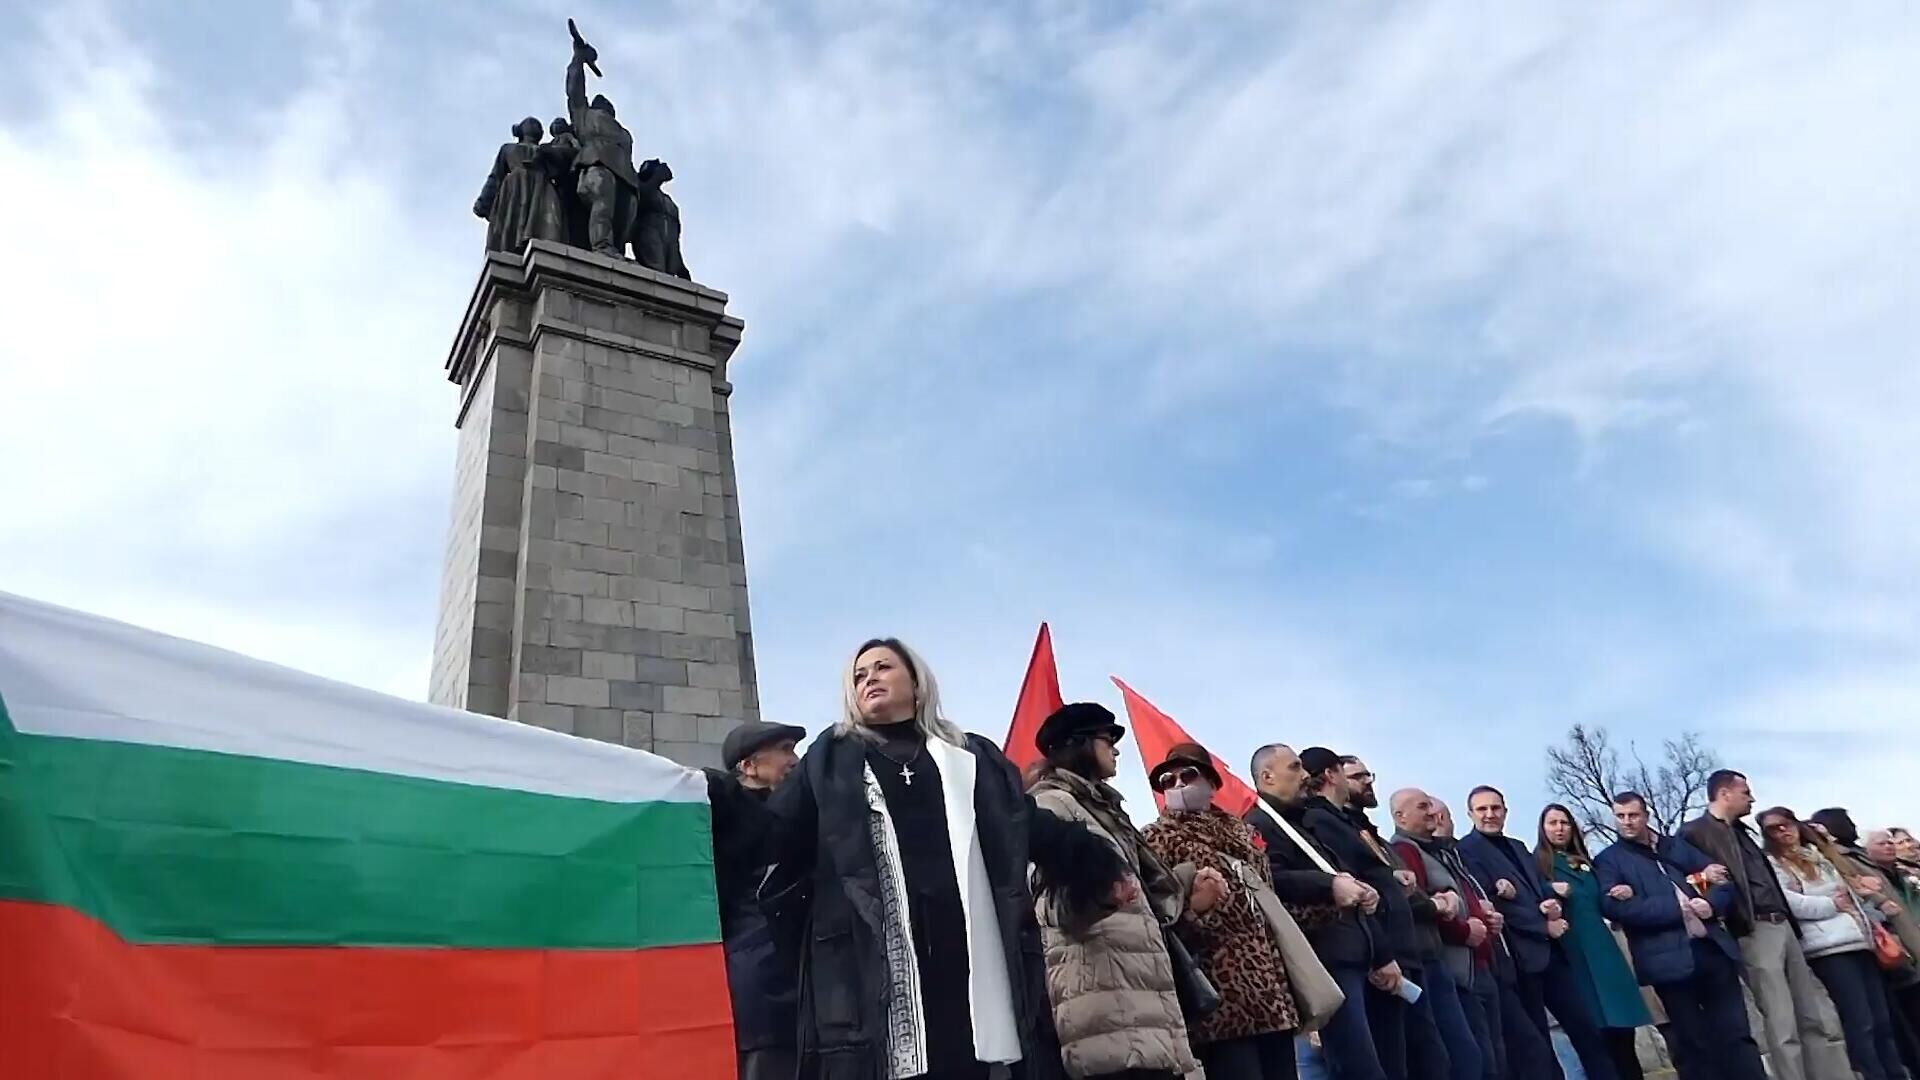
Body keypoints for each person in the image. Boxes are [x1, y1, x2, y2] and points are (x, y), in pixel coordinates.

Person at [707, 637, 1130, 1080]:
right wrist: (713, 798)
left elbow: (1026, 825)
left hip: (965, 964)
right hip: (871, 974)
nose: (869, 678)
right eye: (858, 675)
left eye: (882, 668)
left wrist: (1097, 865)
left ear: (915, 681)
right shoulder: (829, 761)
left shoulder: (971, 756)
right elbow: (774, 833)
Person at [1027, 703, 1200, 1080]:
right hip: (1105, 1012)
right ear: (1080, 744)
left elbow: (1141, 897)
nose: (1116, 749)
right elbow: (1050, 909)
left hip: (1140, 1005)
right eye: (1108, 739)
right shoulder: (1052, 804)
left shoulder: (1103, 809)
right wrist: (1104, 893)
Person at [1143, 741, 1301, 1080]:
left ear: (1212, 783)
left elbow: (1272, 904)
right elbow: (1155, 917)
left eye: (1188, 775)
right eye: (1168, 780)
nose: (1178, 784)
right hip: (1217, 1003)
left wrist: (1335, 904)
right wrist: (1195, 909)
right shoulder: (1155, 838)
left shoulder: (1247, 835)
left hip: (1271, 997)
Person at [1680, 771, 1850, 1080]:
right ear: (1724, 794)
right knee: (1781, 1019)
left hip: (1783, 924)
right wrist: (1706, 882)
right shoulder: (1695, 833)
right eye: (1745, 792)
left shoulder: (1743, 833)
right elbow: (1687, 879)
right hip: (1751, 929)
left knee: (1811, 1014)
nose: (1752, 798)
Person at [1245, 743, 1392, 1080]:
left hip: (1356, 954)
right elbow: (1270, 879)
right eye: (1294, 767)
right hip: (1326, 961)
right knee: (1358, 1067)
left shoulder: (1303, 822)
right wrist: (1329, 886)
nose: (1305, 775)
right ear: (1267, 777)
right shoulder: (1259, 825)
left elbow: (1338, 872)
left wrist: (1358, 890)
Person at [1594, 791, 1765, 1080]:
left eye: (1633, 815)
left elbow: (1722, 880)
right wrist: (1678, 906)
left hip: (1712, 950)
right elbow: (1615, 907)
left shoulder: (1676, 847)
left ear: (1645, 816)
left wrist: (1710, 904)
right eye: (1620, 816)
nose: (1627, 822)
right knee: (1693, 1043)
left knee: (1736, 1035)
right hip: (1666, 962)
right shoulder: (1610, 860)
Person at [1299, 750, 1448, 1080]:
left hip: (1398, 954)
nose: (1367, 782)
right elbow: (1352, 886)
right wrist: (1381, 954)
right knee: (1401, 1061)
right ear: (1332, 774)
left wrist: (1392, 878)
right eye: (1357, 775)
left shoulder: (1351, 823)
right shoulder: (1320, 821)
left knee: (1424, 1057)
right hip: (1378, 958)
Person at [1457, 785, 1619, 1080]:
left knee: (1586, 1029)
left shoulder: (1518, 847)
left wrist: (1550, 901)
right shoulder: (1467, 850)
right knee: (1539, 1044)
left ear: (1505, 811)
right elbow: (1489, 901)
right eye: (1482, 809)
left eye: (1495, 808)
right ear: (1470, 813)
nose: (1490, 815)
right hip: (1519, 959)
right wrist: (1541, 924)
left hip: (1551, 954)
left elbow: (1535, 887)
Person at [1760, 806, 1913, 1080]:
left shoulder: (1820, 856)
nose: (1784, 831)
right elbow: (1791, 902)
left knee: (1881, 1021)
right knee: (1860, 1021)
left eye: (1787, 824)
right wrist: (1831, 903)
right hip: (1827, 947)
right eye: (1774, 828)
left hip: (1858, 938)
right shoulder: (1773, 864)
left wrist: (1825, 843)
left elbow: (1850, 888)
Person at [715, 720, 807, 1080]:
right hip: (760, 989)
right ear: (748, 766)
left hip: (798, 988)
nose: (795, 760)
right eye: (784, 750)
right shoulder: (729, 808)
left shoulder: (792, 815)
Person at [1535, 803, 1654, 1080]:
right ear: (1543, 829)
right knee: (1596, 1039)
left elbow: (1602, 900)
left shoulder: (1585, 862)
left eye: (1564, 823)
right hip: (1573, 956)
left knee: (1623, 1033)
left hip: (1604, 955)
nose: (1559, 828)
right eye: (1552, 823)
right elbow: (1529, 894)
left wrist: (1618, 892)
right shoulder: (1538, 864)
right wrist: (1548, 889)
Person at [1388, 788, 1487, 1080]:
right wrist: (1458, 922)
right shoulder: (1405, 850)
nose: (1433, 812)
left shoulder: (1437, 851)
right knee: (1461, 1055)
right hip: (1434, 962)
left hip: (1453, 964)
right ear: (1400, 816)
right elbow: (1415, 899)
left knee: (1475, 1053)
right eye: (1423, 807)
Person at [565, 36, 642, 256]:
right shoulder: (585, 116)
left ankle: (614, 252)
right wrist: (578, 58)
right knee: (603, 206)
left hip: (625, 176)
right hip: (597, 165)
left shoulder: (623, 132)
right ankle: (602, 247)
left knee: (623, 220)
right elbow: (574, 90)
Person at [472, 117, 568, 253]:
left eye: (538, 125)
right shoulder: (508, 149)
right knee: (512, 227)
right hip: (515, 191)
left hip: (542, 192)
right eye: (530, 124)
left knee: (546, 233)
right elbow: (495, 177)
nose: (534, 126)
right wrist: (483, 202)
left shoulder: (548, 151)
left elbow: (562, 171)